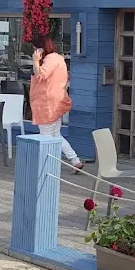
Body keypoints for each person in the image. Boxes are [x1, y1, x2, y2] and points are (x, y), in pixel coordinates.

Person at [29, 35, 83, 173]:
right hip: (55, 102)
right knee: (56, 135)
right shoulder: (58, 59)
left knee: (46, 137)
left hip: (47, 103)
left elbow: (41, 75)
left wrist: (35, 61)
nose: (34, 51)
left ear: (41, 49)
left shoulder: (50, 59)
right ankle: (75, 160)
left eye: (35, 48)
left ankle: (48, 167)